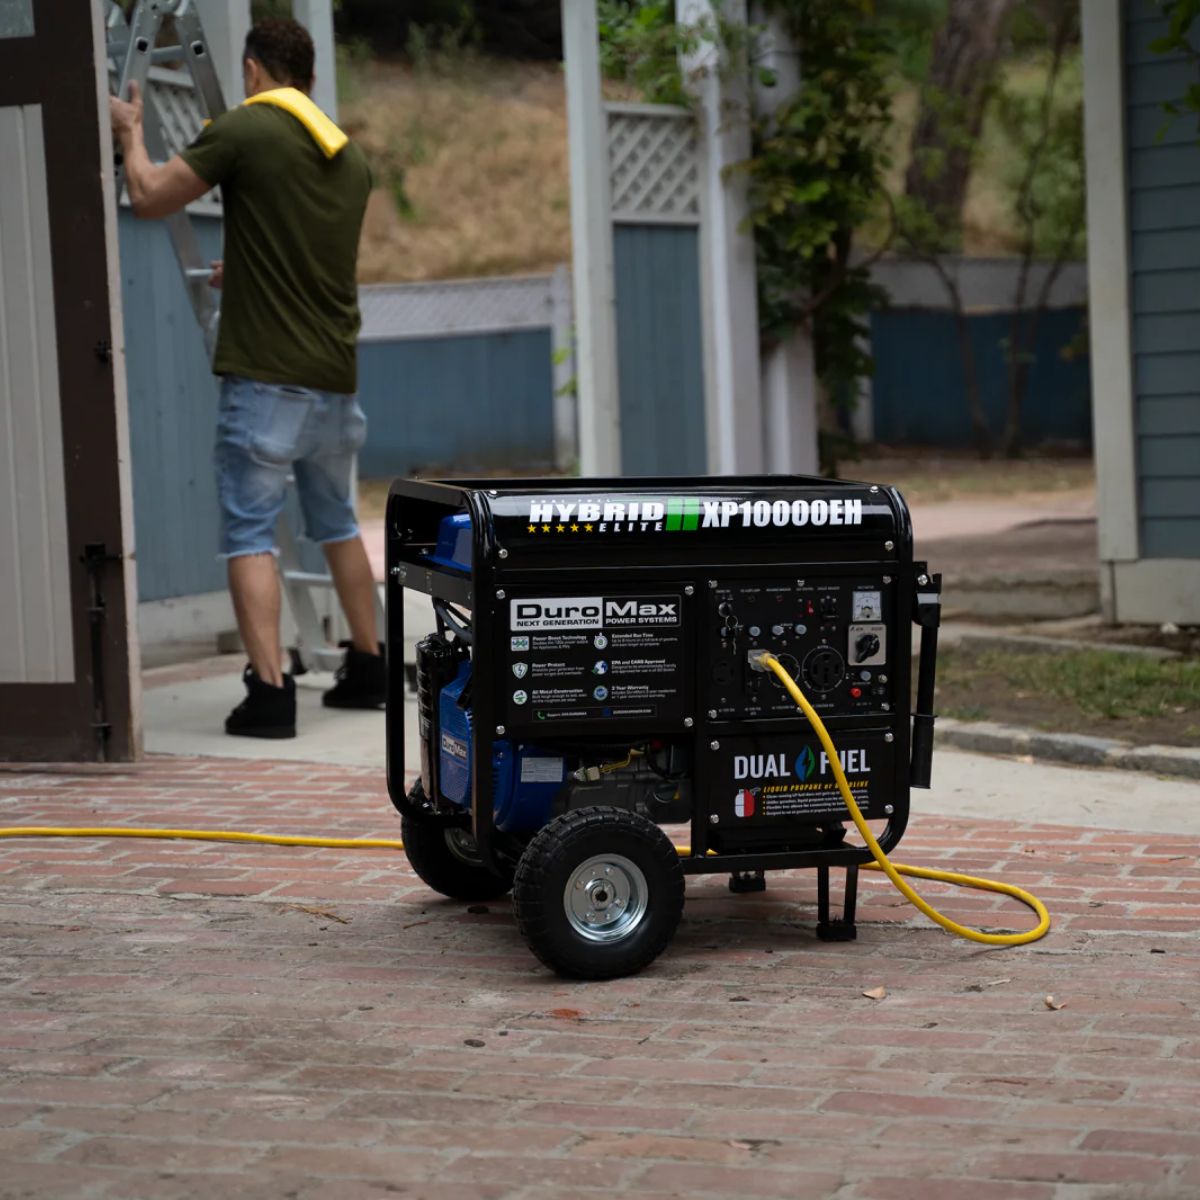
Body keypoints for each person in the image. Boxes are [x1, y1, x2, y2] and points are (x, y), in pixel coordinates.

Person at [110, 18, 382, 739]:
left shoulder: (246, 129)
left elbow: (150, 197)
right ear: (311, 81)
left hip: (267, 380)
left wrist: (130, 133)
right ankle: (369, 665)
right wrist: (250, 269)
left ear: (253, 70)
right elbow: (306, 255)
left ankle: (269, 697)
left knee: (250, 536)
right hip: (335, 380)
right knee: (338, 525)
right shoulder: (350, 159)